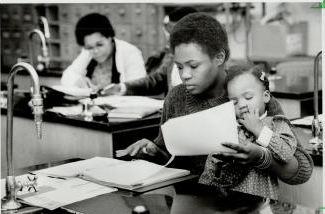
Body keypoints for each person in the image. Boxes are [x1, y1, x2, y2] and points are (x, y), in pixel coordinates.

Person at [116, 13, 312, 187]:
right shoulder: (176, 97)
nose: (185, 75)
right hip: (188, 207)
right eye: (179, 67)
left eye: (193, 66)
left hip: (245, 210)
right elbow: (171, 157)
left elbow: (300, 171)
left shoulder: (250, 97)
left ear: (219, 57)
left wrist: (259, 157)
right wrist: (153, 151)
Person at [199, 63, 297, 200]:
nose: (242, 105)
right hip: (229, 207)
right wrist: (217, 164)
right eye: (234, 102)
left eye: (249, 97)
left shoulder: (276, 123)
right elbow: (208, 178)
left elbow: (286, 154)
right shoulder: (228, 128)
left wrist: (258, 129)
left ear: (266, 96)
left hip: (263, 207)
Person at [100, 7, 198, 96]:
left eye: (174, 33)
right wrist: (122, 87)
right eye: (167, 32)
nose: (168, 38)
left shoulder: (207, 59)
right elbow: (156, 80)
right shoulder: (174, 55)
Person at [61, 13, 146, 91]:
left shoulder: (130, 53)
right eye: (90, 47)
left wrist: (117, 90)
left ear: (110, 37)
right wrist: (78, 81)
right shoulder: (87, 53)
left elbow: (138, 87)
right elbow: (67, 75)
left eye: (100, 45)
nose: (95, 51)